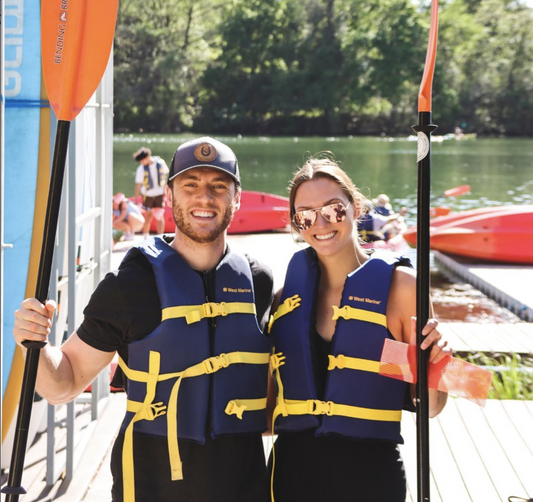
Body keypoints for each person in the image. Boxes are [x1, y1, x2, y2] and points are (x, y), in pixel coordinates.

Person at [14, 137, 275, 502]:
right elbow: (65, 383)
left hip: (243, 486)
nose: (205, 197)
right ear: (169, 196)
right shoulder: (130, 286)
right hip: (152, 486)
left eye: (219, 186)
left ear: (237, 198)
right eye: (190, 185)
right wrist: (35, 346)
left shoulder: (258, 281)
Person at [267, 155, 450, 502]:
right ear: (296, 223)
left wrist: (436, 367)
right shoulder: (284, 302)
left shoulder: (401, 290)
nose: (320, 222)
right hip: (291, 474)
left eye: (334, 209)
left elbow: (428, 405)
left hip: (370, 477)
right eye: (305, 214)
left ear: (355, 206)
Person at [133, 146, 169, 238]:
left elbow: (165, 176)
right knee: (148, 217)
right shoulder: (141, 169)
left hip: (159, 194)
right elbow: (138, 184)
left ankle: (161, 237)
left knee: (160, 216)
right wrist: (136, 198)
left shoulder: (160, 163)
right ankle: (146, 236)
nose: (141, 163)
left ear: (147, 157)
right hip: (147, 195)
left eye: (142, 160)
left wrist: (166, 191)